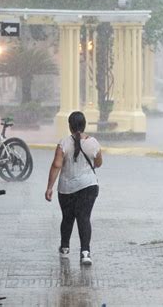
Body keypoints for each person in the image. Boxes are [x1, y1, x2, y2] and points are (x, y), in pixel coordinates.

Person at [45, 111, 102, 265]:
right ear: (84, 125)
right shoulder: (94, 143)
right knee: (84, 218)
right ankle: (85, 253)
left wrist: (49, 187)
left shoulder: (63, 143)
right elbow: (98, 163)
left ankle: (64, 248)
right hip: (88, 186)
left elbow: (56, 165)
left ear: (69, 126)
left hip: (66, 188)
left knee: (67, 218)